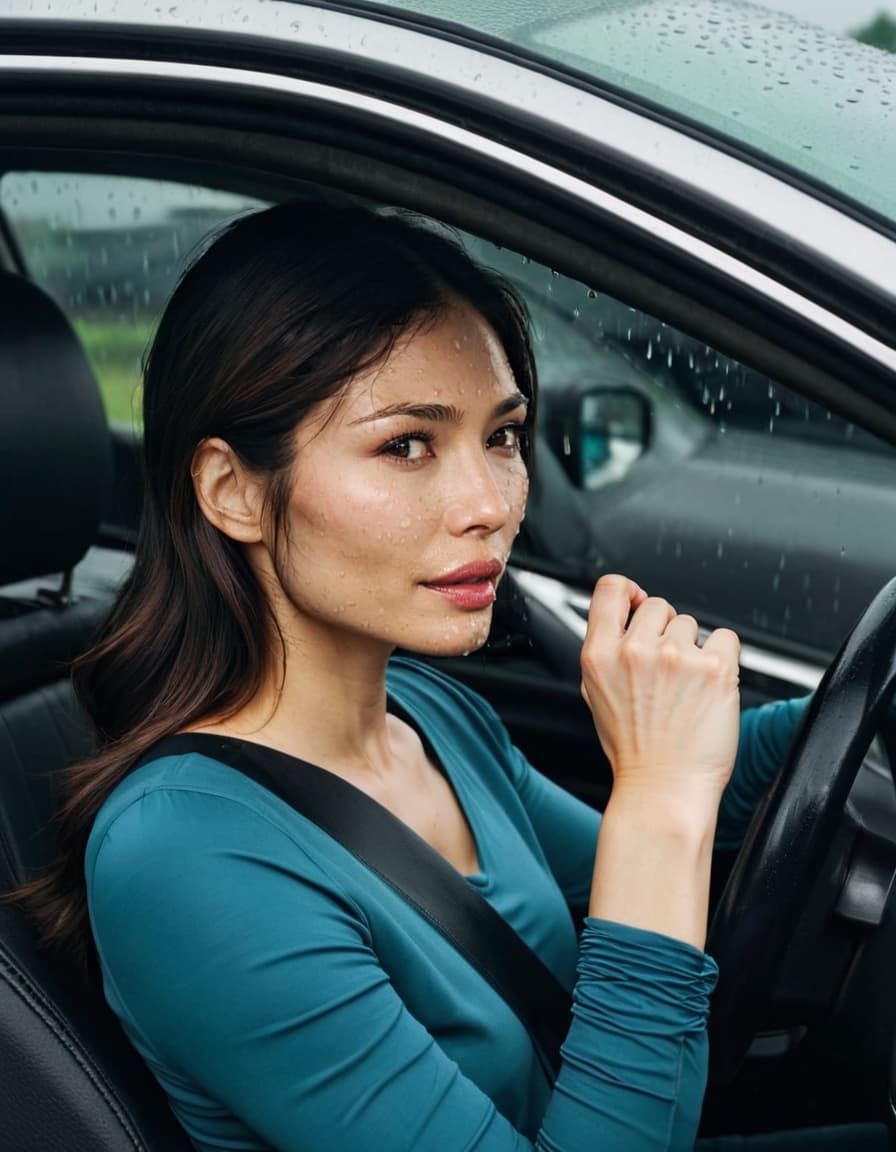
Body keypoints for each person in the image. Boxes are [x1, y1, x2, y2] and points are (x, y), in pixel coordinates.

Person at [19, 201, 887, 1151]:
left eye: (503, 436)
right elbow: (659, 839)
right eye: (406, 445)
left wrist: (854, 710)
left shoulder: (429, 710)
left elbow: (672, 826)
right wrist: (661, 803)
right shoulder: (187, 859)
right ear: (234, 492)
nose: (487, 504)